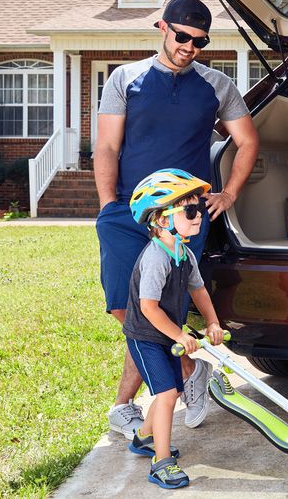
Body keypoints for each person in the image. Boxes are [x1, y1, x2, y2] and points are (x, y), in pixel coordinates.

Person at [95, 0, 259, 438]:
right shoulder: (125, 78)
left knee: (156, 307)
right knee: (123, 305)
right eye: (183, 36)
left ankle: (126, 406)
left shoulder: (216, 85)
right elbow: (107, 146)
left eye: (200, 41)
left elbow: (247, 141)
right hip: (127, 210)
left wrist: (229, 193)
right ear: (163, 28)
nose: (190, 47)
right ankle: (190, 370)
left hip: (184, 217)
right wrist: (108, 204)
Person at [122, 168, 225, 490]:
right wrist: (179, 334)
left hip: (166, 336)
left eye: (199, 210)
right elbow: (149, 307)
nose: (198, 216)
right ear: (162, 220)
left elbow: (199, 290)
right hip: (145, 337)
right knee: (167, 393)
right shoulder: (156, 258)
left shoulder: (184, 253)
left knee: (173, 390)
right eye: (190, 211)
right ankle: (161, 463)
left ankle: (143, 438)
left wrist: (212, 322)